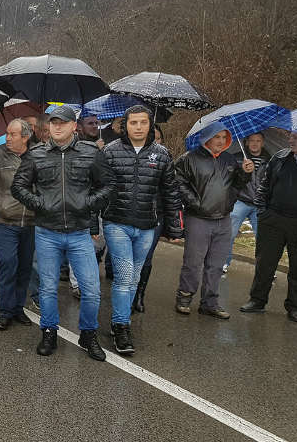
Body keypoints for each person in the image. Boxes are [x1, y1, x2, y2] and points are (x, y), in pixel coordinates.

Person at [12, 105, 113, 361]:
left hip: (79, 232)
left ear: (73, 126)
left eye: (62, 122)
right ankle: (48, 331)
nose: (57, 126)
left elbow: (109, 185)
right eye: (53, 122)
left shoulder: (91, 153)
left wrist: (88, 204)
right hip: (47, 231)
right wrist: (39, 204)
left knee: (91, 289)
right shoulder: (36, 154)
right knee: (47, 288)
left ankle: (88, 333)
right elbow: (19, 186)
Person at [101, 106, 183, 354]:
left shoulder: (162, 155)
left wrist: (175, 228)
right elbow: (98, 187)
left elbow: (171, 192)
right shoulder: (110, 152)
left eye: (143, 123)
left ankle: (122, 317)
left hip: (147, 226)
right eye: (133, 122)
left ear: (150, 126)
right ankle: (121, 326)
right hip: (117, 223)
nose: (138, 127)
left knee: (135, 277)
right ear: (125, 125)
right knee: (125, 276)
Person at [239, 132, 297, 323]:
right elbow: (264, 185)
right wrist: (262, 211)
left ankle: (295, 307)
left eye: (295, 137)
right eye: (290, 136)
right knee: (264, 264)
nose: (289, 140)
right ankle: (257, 300)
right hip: (272, 220)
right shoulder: (280, 157)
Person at [174, 121, 252, 318]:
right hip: (198, 218)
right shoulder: (189, 159)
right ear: (207, 139)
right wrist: (194, 203)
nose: (220, 141)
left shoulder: (229, 159)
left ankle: (209, 303)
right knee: (193, 263)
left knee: (216, 265)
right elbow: (177, 182)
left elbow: (237, 184)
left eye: (224, 138)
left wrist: (245, 173)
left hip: (224, 219)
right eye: (216, 137)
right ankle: (184, 298)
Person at [0, 118, 35, 330]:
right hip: (5, 221)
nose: (8, 138)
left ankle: (18, 307)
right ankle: (4, 310)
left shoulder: (37, 155)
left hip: (31, 221)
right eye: (7, 134)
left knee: (24, 266)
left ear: (25, 137)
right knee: (8, 263)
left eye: (13, 135)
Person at [133, 122, 168, 313]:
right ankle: (126, 291)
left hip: (155, 216)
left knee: (145, 257)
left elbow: (172, 191)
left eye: (158, 137)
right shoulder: (133, 156)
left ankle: (139, 294)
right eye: (151, 136)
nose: (155, 140)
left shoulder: (166, 160)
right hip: (131, 214)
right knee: (128, 258)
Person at [224, 132, 271, 270]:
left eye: (258, 140)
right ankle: (224, 262)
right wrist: (243, 171)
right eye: (252, 140)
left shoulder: (270, 160)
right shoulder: (238, 158)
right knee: (229, 233)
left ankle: (264, 268)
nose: (255, 143)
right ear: (246, 142)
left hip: (260, 204)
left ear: (263, 143)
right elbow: (230, 180)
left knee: (263, 237)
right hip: (241, 201)